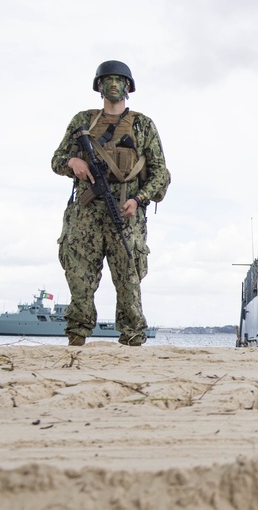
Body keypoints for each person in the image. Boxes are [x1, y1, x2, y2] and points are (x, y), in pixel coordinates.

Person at [52, 60, 170, 347]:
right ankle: (77, 337)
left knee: (129, 277)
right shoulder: (83, 120)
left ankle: (132, 337)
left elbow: (161, 173)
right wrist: (73, 161)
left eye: (119, 80)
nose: (114, 85)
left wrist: (138, 199)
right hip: (86, 214)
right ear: (99, 86)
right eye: (108, 80)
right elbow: (56, 160)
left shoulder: (142, 125)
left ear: (128, 87)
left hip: (126, 212)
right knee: (80, 276)